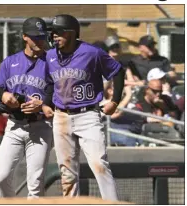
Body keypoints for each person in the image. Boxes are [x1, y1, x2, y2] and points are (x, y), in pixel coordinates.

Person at [43, 14, 125, 200]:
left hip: (88, 115)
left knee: (99, 164)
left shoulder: (91, 52)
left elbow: (118, 71)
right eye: (53, 32)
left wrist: (115, 101)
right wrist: (46, 104)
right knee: (67, 172)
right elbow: (49, 84)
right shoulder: (49, 56)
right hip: (61, 116)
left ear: (71, 33)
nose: (54, 36)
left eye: (58, 32)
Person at [0, 17, 53, 198]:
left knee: (35, 185)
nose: (40, 40)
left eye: (42, 36)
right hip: (14, 125)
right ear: (25, 37)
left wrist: (42, 105)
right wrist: (4, 95)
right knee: (0, 177)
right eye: (35, 37)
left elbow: (57, 93)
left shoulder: (51, 61)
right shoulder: (10, 62)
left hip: (40, 126)